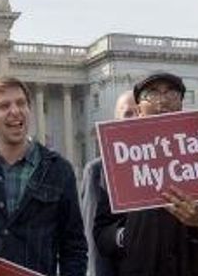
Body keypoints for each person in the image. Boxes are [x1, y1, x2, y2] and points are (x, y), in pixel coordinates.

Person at [91, 72, 198, 275]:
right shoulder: (117, 164)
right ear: (139, 109)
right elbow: (101, 233)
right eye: (152, 93)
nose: (162, 100)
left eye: (171, 93)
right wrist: (125, 235)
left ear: (181, 106)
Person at [0, 76, 86, 276]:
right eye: (4, 106)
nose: (15, 111)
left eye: (21, 103)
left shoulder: (59, 170)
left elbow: (74, 248)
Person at [81, 91, 136, 276]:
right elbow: (95, 242)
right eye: (128, 114)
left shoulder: (165, 167)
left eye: (139, 112)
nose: (135, 119)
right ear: (116, 122)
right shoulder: (97, 170)